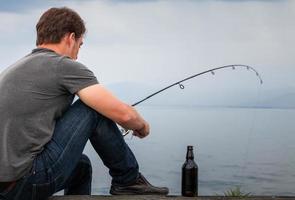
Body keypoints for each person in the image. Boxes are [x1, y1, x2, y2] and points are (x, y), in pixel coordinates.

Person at [0, 7, 169, 200]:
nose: (77, 55)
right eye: (80, 45)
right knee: (93, 108)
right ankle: (127, 180)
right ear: (71, 38)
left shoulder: (14, 69)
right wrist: (142, 126)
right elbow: (124, 115)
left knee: (81, 167)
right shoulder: (62, 65)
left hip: (7, 187)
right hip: (27, 179)